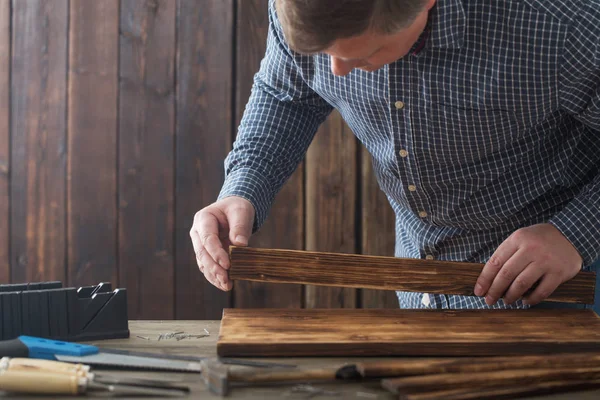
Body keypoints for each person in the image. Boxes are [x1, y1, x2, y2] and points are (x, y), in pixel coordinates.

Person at [190, 0, 600, 310]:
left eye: (366, 54)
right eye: (323, 53)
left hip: (561, 286)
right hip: (417, 291)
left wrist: (573, 233)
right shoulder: (302, 7)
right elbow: (287, 94)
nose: (336, 70)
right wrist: (241, 189)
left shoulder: (559, 23)